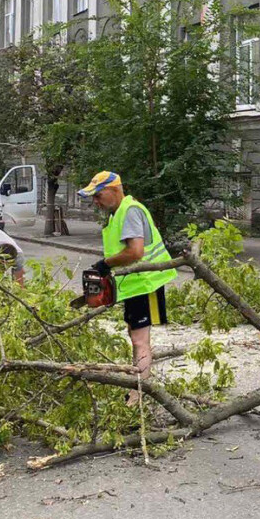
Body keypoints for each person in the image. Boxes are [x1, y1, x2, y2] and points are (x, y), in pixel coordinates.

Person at [77, 171, 178, 398]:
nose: (96, 202)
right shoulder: (117, 214)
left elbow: (135, 251)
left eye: (98, 196)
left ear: (114, 190)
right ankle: (138, 386)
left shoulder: (130, 211)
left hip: (146, 283)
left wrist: (105, 263)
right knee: (135, 335)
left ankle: (138, 394)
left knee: (140, 340)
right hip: (134, 285)